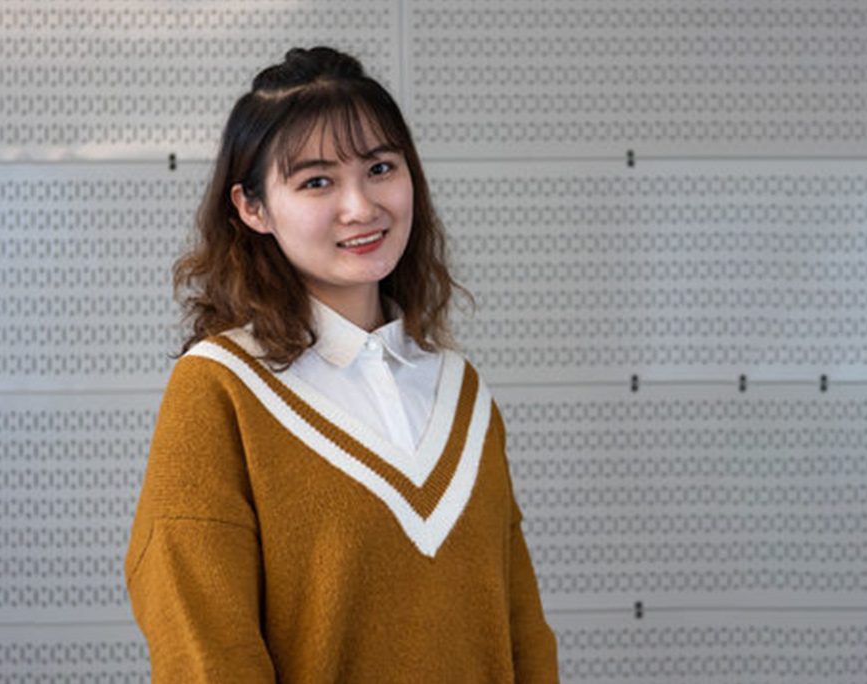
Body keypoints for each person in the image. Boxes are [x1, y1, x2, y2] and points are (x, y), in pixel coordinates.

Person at [125, 46, 559, 683]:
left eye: (381, 168)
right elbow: (204, 651)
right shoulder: (219, 387)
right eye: (317, 181)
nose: (361, 207)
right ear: (252, 208)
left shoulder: (459, 391)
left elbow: (523, 634)